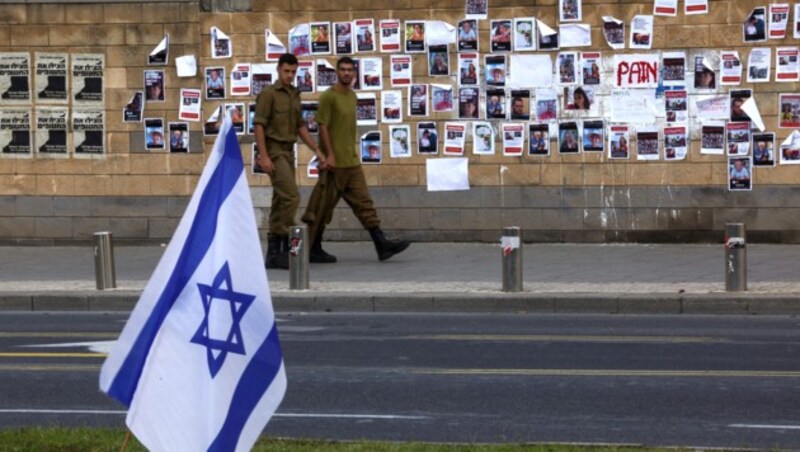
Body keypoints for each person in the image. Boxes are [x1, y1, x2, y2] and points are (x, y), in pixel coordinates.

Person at [302, 57, 410, 263]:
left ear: (354, 74)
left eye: (350, 70)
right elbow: (322, 126)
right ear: (337, 72)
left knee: (365, 204)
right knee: (321, 208)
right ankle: (311, 248)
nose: (346, 73)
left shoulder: (352, 96)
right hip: (334, 166)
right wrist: (328, 155)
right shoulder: (328, 97)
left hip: (351, 163)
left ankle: (381, 244)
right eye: (342, 70)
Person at [254, 53, 326, 270]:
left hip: (288, 150)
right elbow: (259, 125)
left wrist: (316, 149)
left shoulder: (295, 94)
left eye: (293, 72)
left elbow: (300, 126)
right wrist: (264, 155)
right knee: (291, 196)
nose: (290, 75)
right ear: (278, 70)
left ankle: (274, 253)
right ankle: (286, 241)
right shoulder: (268, 94)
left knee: (280, 199)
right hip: (274, 150)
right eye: (286, 71)